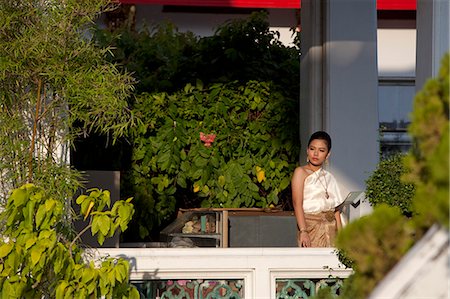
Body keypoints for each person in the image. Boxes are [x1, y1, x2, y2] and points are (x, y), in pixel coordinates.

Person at [291, 131, 345, 247]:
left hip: (331, 229)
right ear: (307, 150)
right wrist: (303, 231)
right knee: (312, 263)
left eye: (321, 150)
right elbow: (297, 203)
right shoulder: (300, 172)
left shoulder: (329, 177)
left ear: (328, 154)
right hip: (311, 228)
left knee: (333, 264)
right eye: (312, 149)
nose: (315, 154)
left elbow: (336, 211)